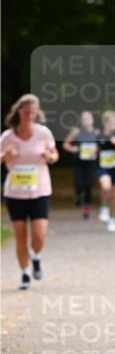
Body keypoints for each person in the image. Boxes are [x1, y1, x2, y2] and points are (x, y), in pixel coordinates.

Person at [0, 93, 59, 289]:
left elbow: (54, 155)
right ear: (19, 111)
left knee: (39, 235)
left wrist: (49, 156)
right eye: (26, 112)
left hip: (40, 190)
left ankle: (36, 256)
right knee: (20, 235)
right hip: (15, 192)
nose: (29, 115)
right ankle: (25, 273)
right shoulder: (7, 136)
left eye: (33, 112)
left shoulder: (43, 133)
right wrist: (5, 155)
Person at [63, 110, 99, 218]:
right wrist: (73, 148)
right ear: (81, 121)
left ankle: (86, 211)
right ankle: (78, 195)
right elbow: (66, 144)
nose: (86, 121)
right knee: (79, 183)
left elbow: (101, 145)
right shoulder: (76, 132)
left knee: (88, 186)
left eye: (88, 119)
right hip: (79, 162)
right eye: (84, 119)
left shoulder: (97, 132)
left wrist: (96, 149)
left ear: (92, 120)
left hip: (91, 163)